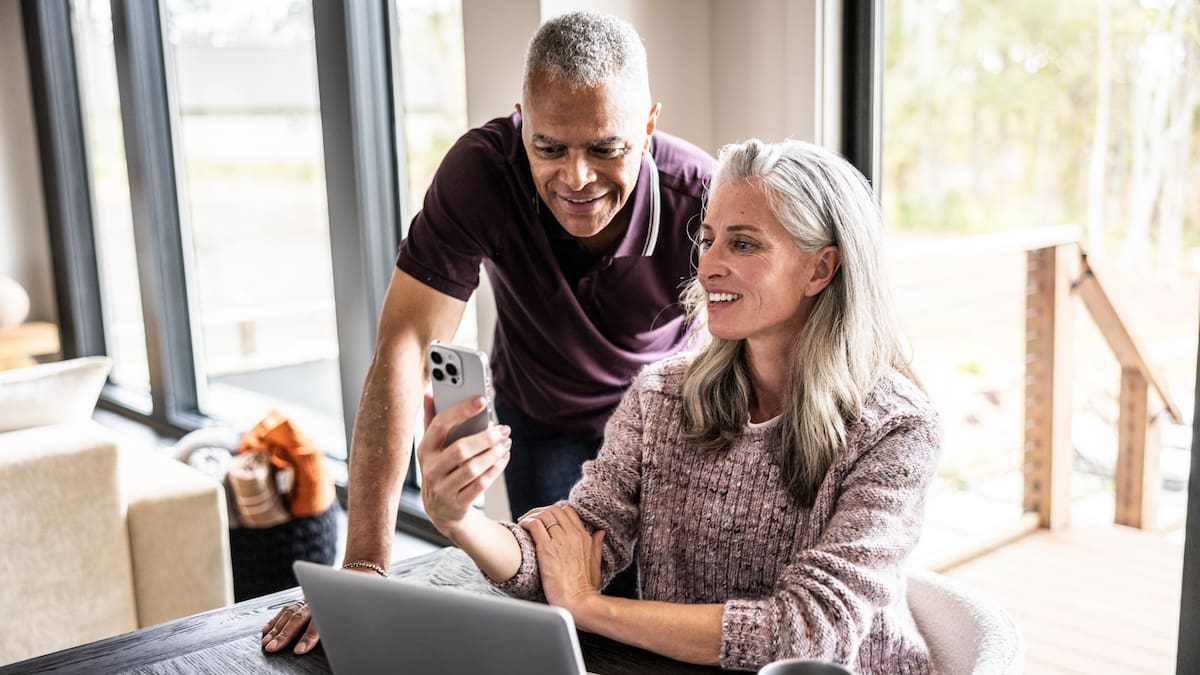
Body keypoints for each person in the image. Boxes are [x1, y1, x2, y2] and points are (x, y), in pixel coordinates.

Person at [261, 10, 714, 654]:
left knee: (655, 613)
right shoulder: (482, 171)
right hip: (544, 416)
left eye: (606, 148)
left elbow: (755, 347)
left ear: (646, 127)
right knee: (558, 616)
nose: (577, 178)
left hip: (664, 428)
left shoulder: (700, 198)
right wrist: (364, 569)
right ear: (522, 121)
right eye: (549, 147)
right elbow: (406, 345)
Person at [417, 139, 941, 672]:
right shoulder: (661, 397)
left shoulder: (897, 429)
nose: (708, 265)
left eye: (743, 244)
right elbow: (573, 550)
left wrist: (590, 608)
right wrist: (460, 520)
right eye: (708, 238)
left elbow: (808, 635)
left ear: (820, 269)